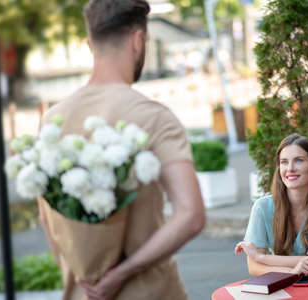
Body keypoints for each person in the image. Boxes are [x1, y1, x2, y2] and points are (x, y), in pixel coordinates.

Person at [39, 1, 205, 299]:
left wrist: (83, 273)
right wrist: (121, 274)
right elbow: (190, 215)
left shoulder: (52, 120)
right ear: (138, 40)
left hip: (80, 293)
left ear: (90, 43)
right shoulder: (153, 117)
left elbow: (47, 219)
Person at [235, 133, 308, 276]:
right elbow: (254, 268)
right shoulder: (262, 207)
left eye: (299, 160)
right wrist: (292, 271)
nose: (290, 168)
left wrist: (261, 257)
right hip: (281, 289)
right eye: (284, 162)